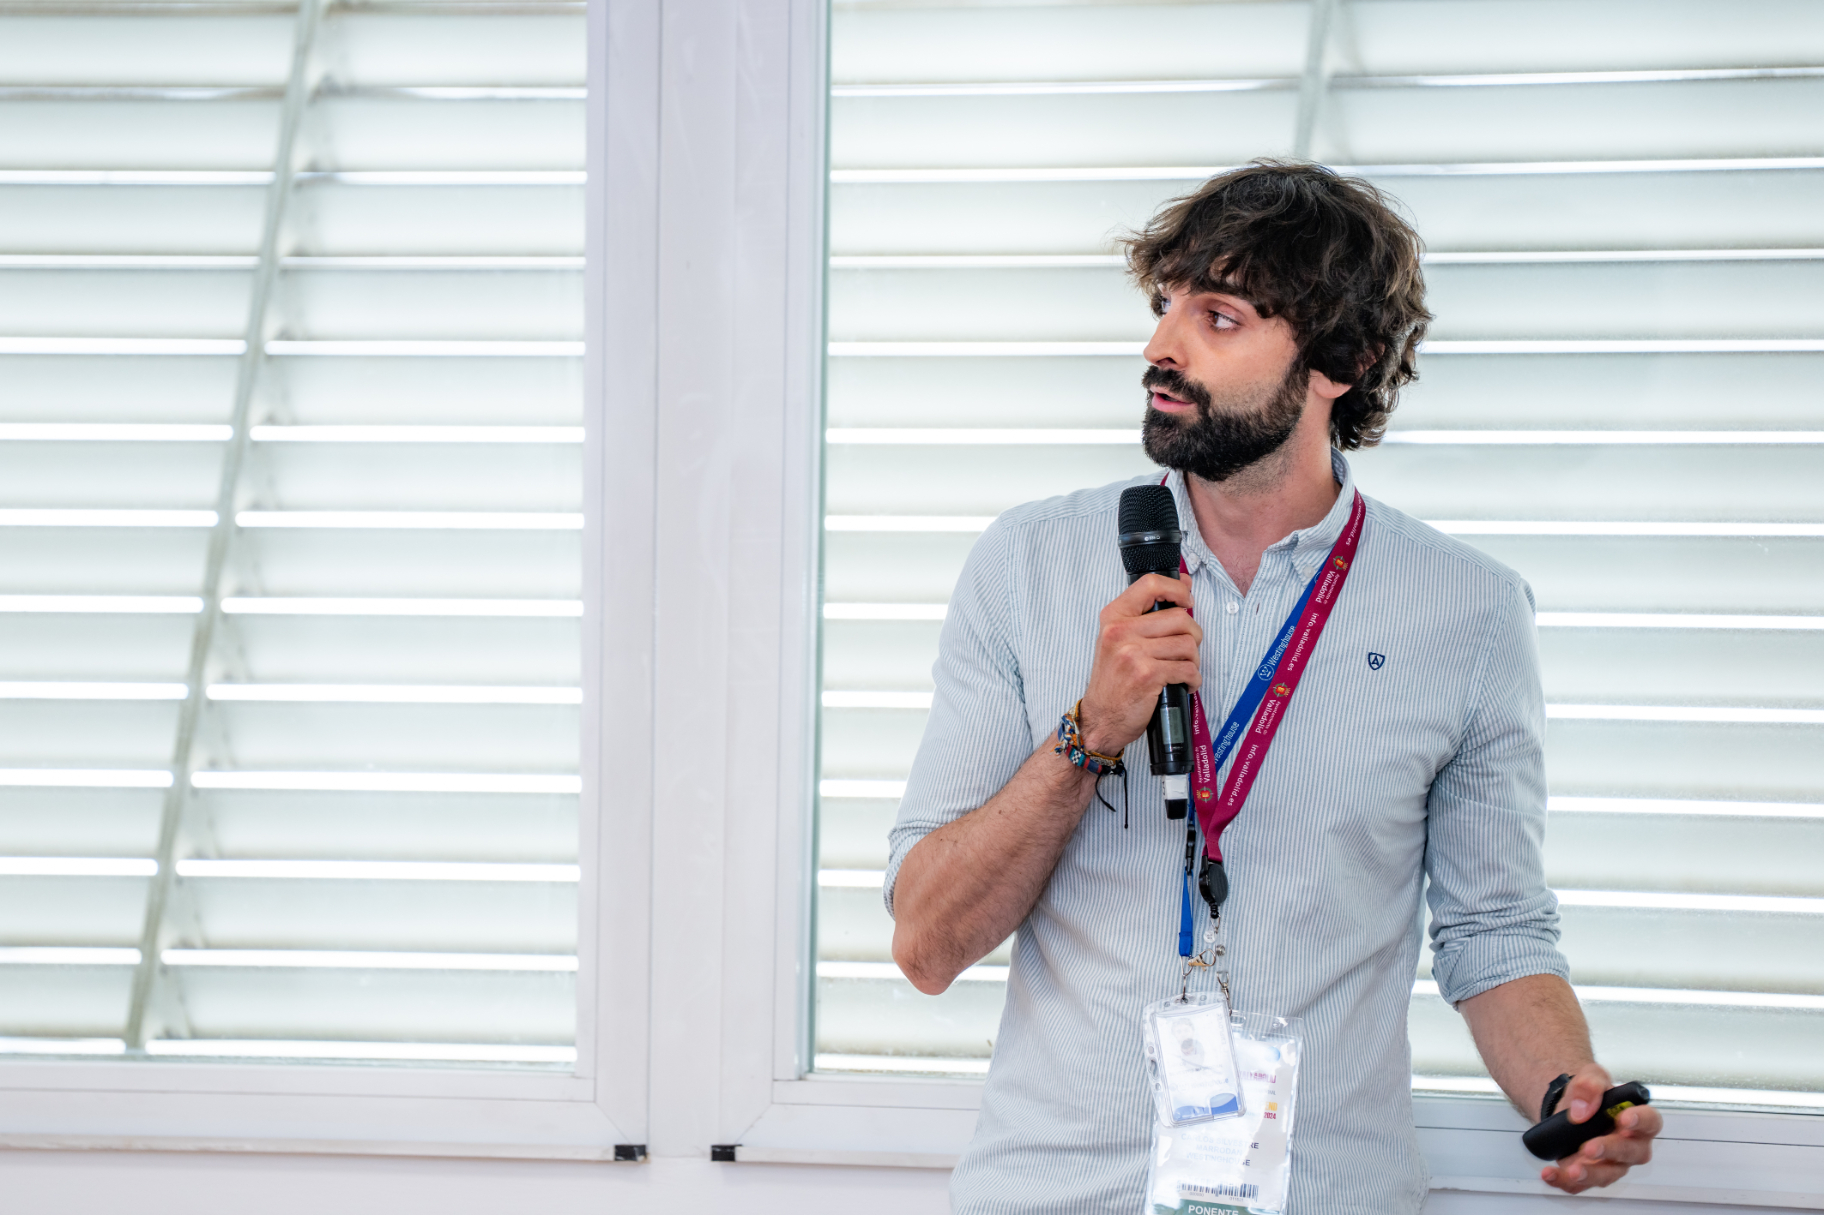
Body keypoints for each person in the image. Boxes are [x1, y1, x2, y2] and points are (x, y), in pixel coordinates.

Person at [883, 161, 1662, 1213]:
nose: (1161, 348)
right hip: (1056, 1194)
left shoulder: (1469, 612)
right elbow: (927, 945)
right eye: (1165, 307)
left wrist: (1568, 1090)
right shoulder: (1026, 565)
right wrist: (1089, 733)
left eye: (1219, 317)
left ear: (1343, 360)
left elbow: (1496, 932)